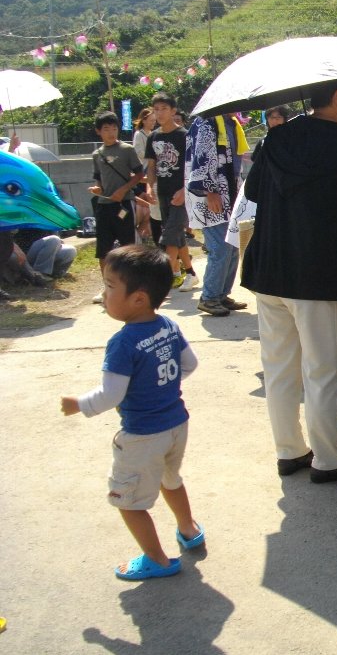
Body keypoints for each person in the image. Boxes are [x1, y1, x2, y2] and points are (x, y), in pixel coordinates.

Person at [241, 77, 337, 483]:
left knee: (278, 367)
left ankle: (289, 451)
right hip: (318, 274)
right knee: (322, 370)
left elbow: (253, 191)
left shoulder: (277, 137)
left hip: (270, 268)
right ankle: (328, 460)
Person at [60, 245, 203, 580]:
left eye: (110, 286)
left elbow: (111, 395)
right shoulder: (168, 325)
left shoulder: (123, 343)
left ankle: (157, 561)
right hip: (176, 425)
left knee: (128, 502)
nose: (104, 294)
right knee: (170, 480)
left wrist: (78, 404)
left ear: (138, 298)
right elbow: (190, 364)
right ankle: (189, 529)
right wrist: (160, 386)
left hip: (142, 437)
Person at [185, 115, 250, 317]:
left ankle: (221, 294)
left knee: (232, 246)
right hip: (211, 194)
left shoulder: (232, 123)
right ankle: (209, 297)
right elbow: (201, 159)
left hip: (229, 192)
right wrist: (210, 192)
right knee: (220, 247)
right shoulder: (206, 123)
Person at [90, 112, 146, 303]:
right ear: (99, 131)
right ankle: (107, 288)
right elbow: (98, 179)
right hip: (104, 205)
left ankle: (132, 285)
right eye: (106, 129)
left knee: (128, 247)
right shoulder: (97, 154)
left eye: (114, 128)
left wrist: (124, 190)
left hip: (124, 204)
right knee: (103, 249)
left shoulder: (126, 149)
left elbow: (139, 175)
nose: (111, 132)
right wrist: (97, 189)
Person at [145, 93, 197, 292]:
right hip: (163, 192)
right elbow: (151, 166)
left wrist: (185, 190)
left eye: (164, 109)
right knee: (176, 235)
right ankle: (190, 274)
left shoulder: (185, 136)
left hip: (182, 193)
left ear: (173, 111)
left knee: (169, 237)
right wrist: (149, 187)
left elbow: (193, 167)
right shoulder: (153, 137)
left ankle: (163, 280)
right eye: (156, 109)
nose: (159, 113)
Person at [132, 107, 160, 244]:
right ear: (143, 120)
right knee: (147, 203)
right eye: (150, 120)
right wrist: (153, 155)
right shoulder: (139, 134)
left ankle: (148, 234)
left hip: (155, 168)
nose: (153, 123)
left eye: (154, 120)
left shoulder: (154, 133)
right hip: (145, 169)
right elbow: (138, 152)